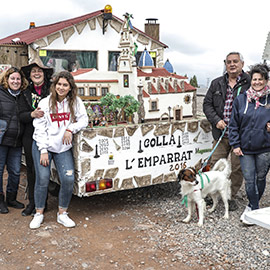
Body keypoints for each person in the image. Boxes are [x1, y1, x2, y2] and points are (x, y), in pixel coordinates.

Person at [29, 71, 88, 229]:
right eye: (59, 84)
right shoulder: (45, 103)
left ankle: (62, 213)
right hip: (43, 146)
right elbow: (39, 128)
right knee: (43, 178)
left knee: (68, 179)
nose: (61, 88)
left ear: (70, 88)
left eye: (65, 85)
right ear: (54, 86)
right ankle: (39, 213)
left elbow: (84, 119)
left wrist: (71, 128)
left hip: (62, 147)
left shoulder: (75, 102)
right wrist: (43, 149)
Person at [203, 52, 251, 211]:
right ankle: (213, 193)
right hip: (221, 134)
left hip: (241, 135)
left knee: (237, 168)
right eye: (229, 62)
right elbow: (207, 105)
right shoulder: (217, 83)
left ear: (242, 64)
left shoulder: (251, 83)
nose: (232, 64)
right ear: (225, 64)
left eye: (235, 61)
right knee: (214, 164)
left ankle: (230, 196)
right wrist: (217, 121)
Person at [229, 64, 270, 224]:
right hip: (245, 148)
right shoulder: (241, 99)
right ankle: (254, 208)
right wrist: (235, 144)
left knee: (260, 178)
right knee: (249, 179)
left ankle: (253, 207)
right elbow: (233, 124)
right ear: (250, 81)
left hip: (265, 148)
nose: (257, 82)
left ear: (266, 81)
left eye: (261, 79)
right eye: (254, 79)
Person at [19, 62, 53, 216]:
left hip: (49, 135)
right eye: (34, 71)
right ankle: (33, 202)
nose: (37, 73)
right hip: (30, 136)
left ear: (44, 74)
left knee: (43, 170)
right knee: (32, 170)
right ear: (30, 75)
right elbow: (20, 114)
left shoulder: (52, 91)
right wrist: (31, 115)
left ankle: (42, 202)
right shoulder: (25, 92)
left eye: (40, 71)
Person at [0, 67, 28, 213]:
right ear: (7, 79)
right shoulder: (1, 93)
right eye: (13, 79)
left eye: (18, 79)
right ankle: (0, 201)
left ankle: (11, 198)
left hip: (17, 141)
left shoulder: (24, 95)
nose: (15, 81)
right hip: (2, 140)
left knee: (15, 171)